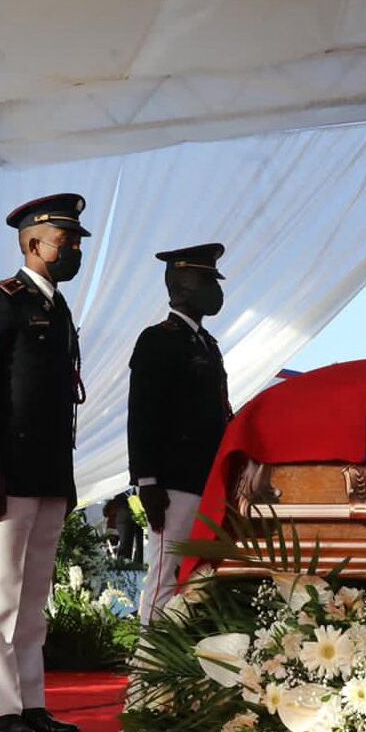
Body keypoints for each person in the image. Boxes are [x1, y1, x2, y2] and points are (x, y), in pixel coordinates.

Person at [0, 193, 90, 732]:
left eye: (78, 243)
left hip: (47, 468)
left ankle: (31, 701)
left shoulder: (57, 307)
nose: (75, 251)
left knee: (34, 595)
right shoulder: (5, 301)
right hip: (8, 468)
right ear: (33, 243)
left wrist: (65, 479)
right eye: (67, 242)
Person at [128, 243, 233, 623]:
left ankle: (178, 665)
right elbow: (143, 414)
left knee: (197, 578)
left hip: (204, 476)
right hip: (172, 480)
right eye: (206, 279)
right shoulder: (159, 339)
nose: (215, 290)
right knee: (166, 574)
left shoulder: (207, 344)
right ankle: (148, 670)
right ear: (181, 283)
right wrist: (148, 480)